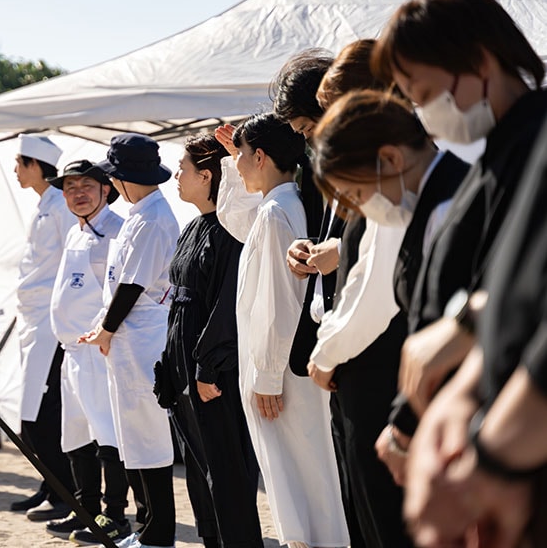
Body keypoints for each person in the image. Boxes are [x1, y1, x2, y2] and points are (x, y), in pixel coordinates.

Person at [368, 0, 547, 489]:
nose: (425, 116)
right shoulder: (496, 153)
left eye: (424, 95)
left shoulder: (534, 144)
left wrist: (468, 324)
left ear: (478, 61)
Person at [309, 89, 470, 546]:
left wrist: (403, 426)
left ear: (390, 158)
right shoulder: (423, 203)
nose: (360, 207)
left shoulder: (451, 205)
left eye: (358, 192)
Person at [229, 114, 348, 548]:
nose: (236, 165)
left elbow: (283, 304)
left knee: (299, 477)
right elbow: (233, 219)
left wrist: (267, 375)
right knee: (303, 475)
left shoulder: (280, 212)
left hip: (283, 374)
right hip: (281, 367)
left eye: (240, 156)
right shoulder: (280, 204)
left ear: (260, 156)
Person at [162, 135, 264, 548]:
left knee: (226, 473)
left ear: (206, 175)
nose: (176, 176)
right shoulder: (194, 226)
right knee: (200, 472)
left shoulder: (231, 233)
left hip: (213, 372)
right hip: (185, 365)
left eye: (182, 169)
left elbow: (228, 307)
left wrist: (208, 367)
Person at [81, 132, 178, 548]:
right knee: (133, 438)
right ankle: (148, 529)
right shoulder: (142, 213)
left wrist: (106, 329)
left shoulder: (154, 217)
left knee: (148, 438)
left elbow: (132, 286)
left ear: (122, 178)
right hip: (129, 336)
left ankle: (158, 532)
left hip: (143, 338)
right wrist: (103, 326)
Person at [42, 160, 131, 544]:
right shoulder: (75, 232)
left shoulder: (117, 231)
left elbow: (123, 292)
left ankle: (114, 515)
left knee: (106, 434)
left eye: (86, 186)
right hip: (71, 352)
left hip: (97, 350)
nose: (78, 193)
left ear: (106, 189)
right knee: (76, 436)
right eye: (70, 187)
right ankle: (86, 510)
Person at [11, 134, 78, 521]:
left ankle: (63, 492)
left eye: (20, 163)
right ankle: (50, 486)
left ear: (36, 165)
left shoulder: (59, 207)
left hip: (51, 323)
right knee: (34, 412)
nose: (15, 171)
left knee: (43, 412)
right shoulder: (45, 205)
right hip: (33, 320)